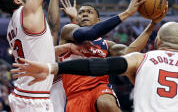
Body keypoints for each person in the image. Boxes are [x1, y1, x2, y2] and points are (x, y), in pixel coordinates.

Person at [11, 21, 178, 112]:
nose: (84, 14)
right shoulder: (70, 33)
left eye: (89, 12)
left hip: (99, 87)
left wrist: (53, 68)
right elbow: (83, 33)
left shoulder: (111, 46)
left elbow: (122, 56)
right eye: (82, 12)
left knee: (107, 104)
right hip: (75, 94)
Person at [0, 0, 79, 111]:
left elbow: (38, 53)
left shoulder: (11, 27)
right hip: (33, 98)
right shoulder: (27, 11)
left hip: (24, 94)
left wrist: (64, 48)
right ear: (18, 1)